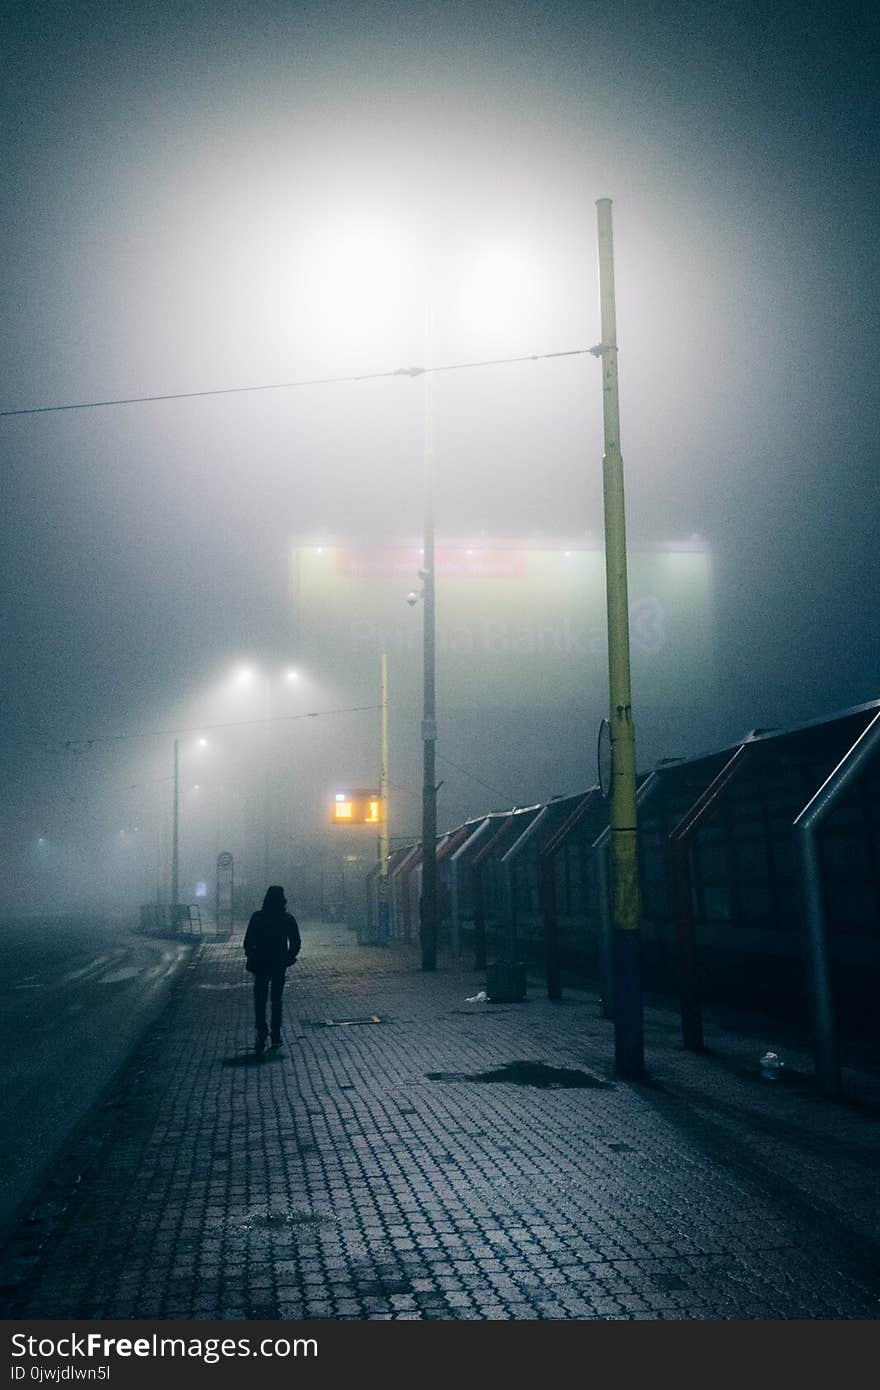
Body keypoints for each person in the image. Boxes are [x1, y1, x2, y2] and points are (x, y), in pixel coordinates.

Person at [243, 885, 301, 1054]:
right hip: (278, 964)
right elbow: (296, 942)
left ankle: (261, 1032)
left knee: (260, 1001)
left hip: (260, 964)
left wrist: (252, 955)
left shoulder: (258, 918)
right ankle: (276, 1034)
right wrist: (289, 957)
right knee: (276, 1000)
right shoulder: (287, 918)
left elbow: (248, 942)